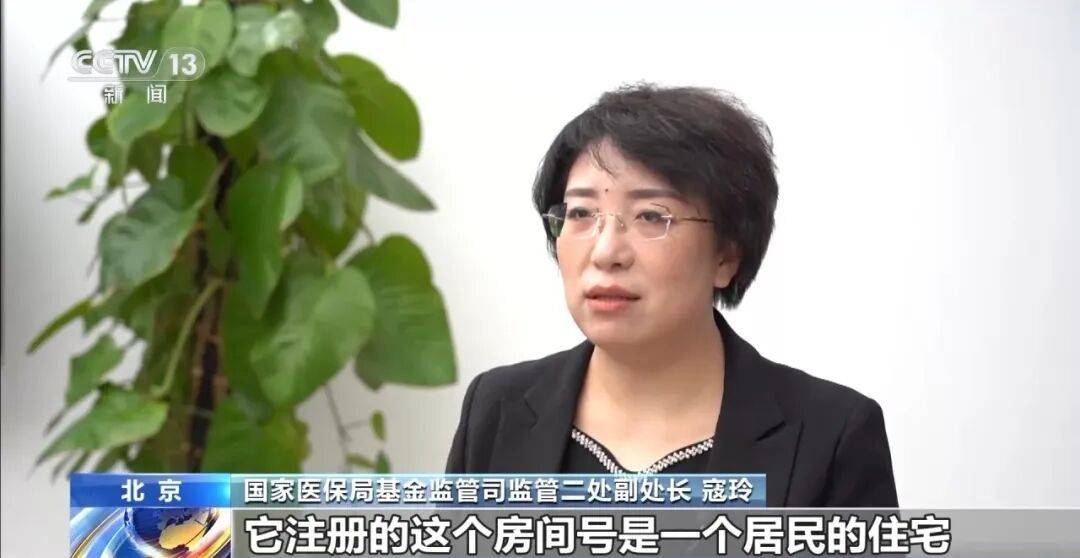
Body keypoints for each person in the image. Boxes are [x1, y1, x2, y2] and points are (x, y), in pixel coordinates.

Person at [445, 83, 898, 507]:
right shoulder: (497, 408)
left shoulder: (832, 436)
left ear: (726, 254)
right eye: (581, 213)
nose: (606, 252)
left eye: (651, 216)